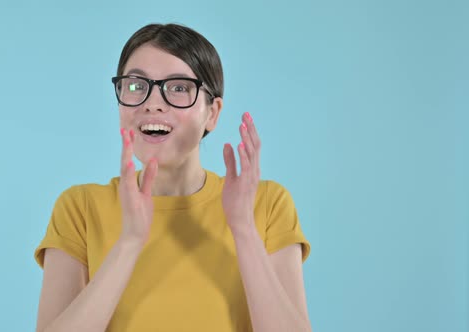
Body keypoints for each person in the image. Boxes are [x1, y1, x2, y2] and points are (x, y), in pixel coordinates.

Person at [34, 23, 312, 332]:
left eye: (179, 87)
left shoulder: (268, 205)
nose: (152, 103)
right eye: (137, 86)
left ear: (212, 112)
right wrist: (130, 241)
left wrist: (243, 229)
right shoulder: (80, 208)